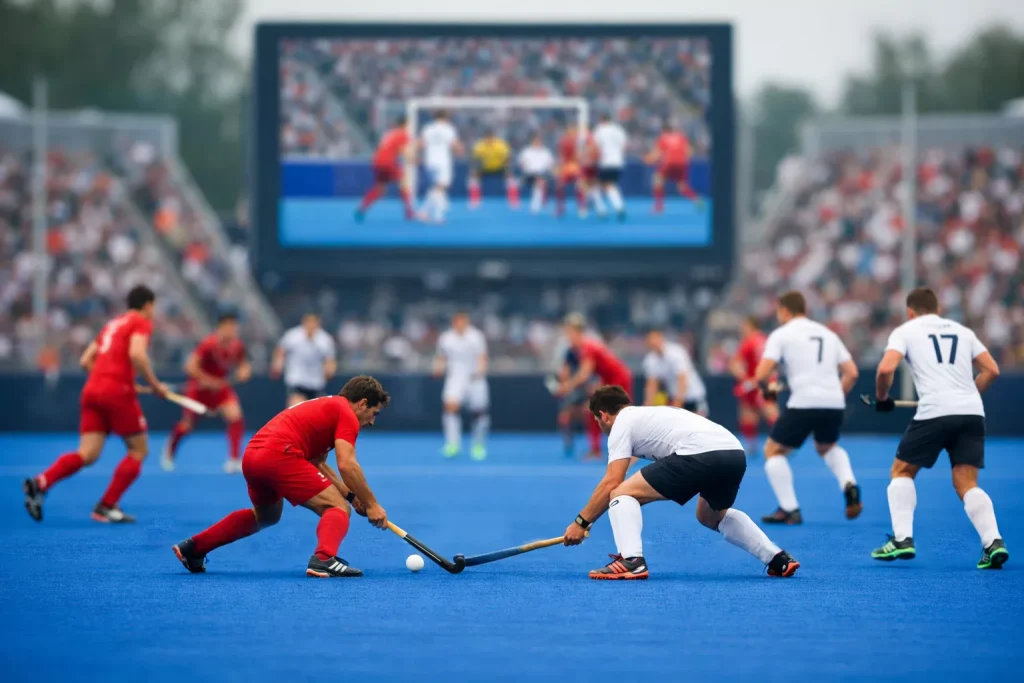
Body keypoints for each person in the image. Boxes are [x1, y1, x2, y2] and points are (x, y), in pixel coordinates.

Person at [562, 386, 799, 580]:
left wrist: (581, 522)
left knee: (620, 494)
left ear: (604, 415)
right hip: (734, 453)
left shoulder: (621, 423)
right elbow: (631, 464)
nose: (600, 427)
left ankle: (631, 560)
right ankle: (777, 558)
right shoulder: (648, 416)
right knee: (710, 516)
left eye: (597, 421)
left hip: (700, 453)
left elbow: (611, 483)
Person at [172, 376, 391, 578]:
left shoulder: (329, 406)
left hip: (253, 456)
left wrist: (353, 497)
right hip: (279, 454)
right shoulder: (346, 413)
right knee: (336, 508)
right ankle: (324, 559)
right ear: (362, 403)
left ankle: (194, 548)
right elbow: (347, 464)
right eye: (374, 413)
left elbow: (318, 462)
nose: (371, 422)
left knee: (267, 515)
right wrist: (372, 504)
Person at [870, 287, 1008, 569]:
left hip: (934, 411)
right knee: (967, 483)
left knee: (902, 470)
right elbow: (992, 369)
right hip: (971, 412)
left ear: (910, 312)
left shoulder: (906, 330)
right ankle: (993, 542)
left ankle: (902, 539)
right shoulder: (963, 331)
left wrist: (883, 399)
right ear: (938, 309)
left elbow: (885, 369)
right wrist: (969, 394)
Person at [23, 286, 169, 524]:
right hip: (116, 393)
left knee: (87, 453)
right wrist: (155, 386)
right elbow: (137, 355)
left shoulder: (112, 324)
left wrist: (115, 381)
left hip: (92, 390)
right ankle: (107, 505)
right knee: (139, 450)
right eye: (154, 306)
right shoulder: (141, 322)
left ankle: (41, 483)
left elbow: (85, 360)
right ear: (147, 305)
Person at [753, 291, 862, 524]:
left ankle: (790, 508)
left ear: (784, 310)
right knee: (827, 446)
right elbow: (852, 373)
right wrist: (834, 396)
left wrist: (767, 389)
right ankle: (849, 484)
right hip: (833, 402)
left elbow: (761, 374)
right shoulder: (828, 334)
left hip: (803, 401)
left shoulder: (781, 334)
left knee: (773, 451)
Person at [161, 312, 251, 474]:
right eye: (229, 327)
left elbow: (243, 365)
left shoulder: (237, 346)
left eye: (234, 327)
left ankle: (234, 459)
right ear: (220, 327)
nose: (232, 330)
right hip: (200, 391)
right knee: (187, 426)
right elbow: (189, 366)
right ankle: (170, 451)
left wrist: (244, 372)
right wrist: (207, 380)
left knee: (235, 416)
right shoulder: (208, 344)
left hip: (222, 389)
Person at [557, 313, 633, 459]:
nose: (568, 336)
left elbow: (584, 373)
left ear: (578, 333)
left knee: (620, 414)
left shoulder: (588, 347)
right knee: (594, 410)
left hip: (619, 378)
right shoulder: (578, 350)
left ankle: (626, 449)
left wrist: (567, 386)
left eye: (570, 332)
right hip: (608, 379)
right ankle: (597, 449)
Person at [433, 312, 489, 460]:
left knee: (478, 412)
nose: (459, 324)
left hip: (474, 378)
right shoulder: (446, 338)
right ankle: (453, 444)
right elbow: (441, 357)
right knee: (450, 407)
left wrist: (480, 370)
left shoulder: (476, 337)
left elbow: (482, 357)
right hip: (455, 378)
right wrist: (438, 368)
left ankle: (478, 445)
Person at [729, 316, 779, 454]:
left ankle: (752, 445)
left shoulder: (749, 342)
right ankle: (782, 441)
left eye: (744, 326)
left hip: (754, 381)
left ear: (750, 326)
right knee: (770, 410)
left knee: (750, 411)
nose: (742, 329)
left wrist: (744, 379)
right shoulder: (766, 340)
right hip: (770, 380)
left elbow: (735, 364)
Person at [270, 312, 337, 408]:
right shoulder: (293, 336)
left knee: (315, 413)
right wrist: (277, 365)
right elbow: (280, 350)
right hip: (297, 379)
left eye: (313, 322)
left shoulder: (325, 339)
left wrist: (330, 370)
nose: (311, 325)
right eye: (309, 322)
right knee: (295, 409)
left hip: (315, 382)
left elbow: (330, 359)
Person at [355, 116, 415, 221]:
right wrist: (413, 159)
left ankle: (362, 208)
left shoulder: (389, 133)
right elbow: (403, 151)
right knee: (404, 182)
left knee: (379, 189)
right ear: (406, 124)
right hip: (388, 161)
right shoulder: (403, 134)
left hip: (377, 160)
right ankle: (409, 212)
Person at [642, 330, 708, 416]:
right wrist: (648, 406)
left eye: (656, 339)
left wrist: (678, 405)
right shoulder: (650, 360)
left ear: (661, 339)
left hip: (693, 397)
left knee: (698, 426)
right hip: (674, 399)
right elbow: (652, 385)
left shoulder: (676, 352)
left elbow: (682, 379)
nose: (654, 343)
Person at [645, 122, 702, 214]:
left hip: (669, 163)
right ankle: (697, 199)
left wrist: (648, 159)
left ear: (663, 131)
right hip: (682, 164)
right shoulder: (681, 137)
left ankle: (659, 207)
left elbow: (656, 155)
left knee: (657, 180)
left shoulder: (663, 138)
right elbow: (689, 151)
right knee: (682, 187)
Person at [417, 111, 462, 224]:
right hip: (442, 161)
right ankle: (437, 215)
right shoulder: (449, 129)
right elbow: (455, 145)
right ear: (445, 117)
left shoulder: (427, 128)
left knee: (436, 187)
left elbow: (421, 144)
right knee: (441, 186)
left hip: (430, 160)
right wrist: (459, 150)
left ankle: (424, 212)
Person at [592, 112, 629, 221]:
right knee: (609, 184)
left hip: (605, 161)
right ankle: (615, 207)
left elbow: (595, 147)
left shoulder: (599, 130)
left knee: (597, 185)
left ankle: (605, 209)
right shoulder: (619, 129)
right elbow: (625, 146)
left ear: (601, 120)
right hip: (618, 161)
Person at [468, 129, 518, 209]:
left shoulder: (500, 145)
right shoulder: (480, 145)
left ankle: (513, 201)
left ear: (494, 138)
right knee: (473, 180)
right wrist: (474, 170)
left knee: (511, 180)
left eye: (491, 138)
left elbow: (508, 157)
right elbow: (474, 159)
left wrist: (507, 168)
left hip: (499, 167)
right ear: (485, 138)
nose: (489, 140)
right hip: (485, 168)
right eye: (487, 138)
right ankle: (475, 201)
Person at [555, 122, 590, 218]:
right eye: (570, 130)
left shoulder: (579, 140)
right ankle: (560, 208)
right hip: (566, 167)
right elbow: (561, 155)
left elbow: (582, 154)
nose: (572, 132)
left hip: (576, 166)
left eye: (573, 130)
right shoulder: (564, 141)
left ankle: (582, 207)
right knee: (559, 186)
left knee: (581, 186)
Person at [517, 133, 555, 215]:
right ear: (532, 142)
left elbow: (551, 165)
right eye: (535, 141)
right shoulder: (526, 151)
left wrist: (548, 169)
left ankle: (535, 205)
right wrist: (525, 167)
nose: (537, 143)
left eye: (539, 141)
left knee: (539, 182)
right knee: (535, 182)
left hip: (542, 174)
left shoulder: (546, 152)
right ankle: (516, 203)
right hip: (529, 174)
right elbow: (521, 163)